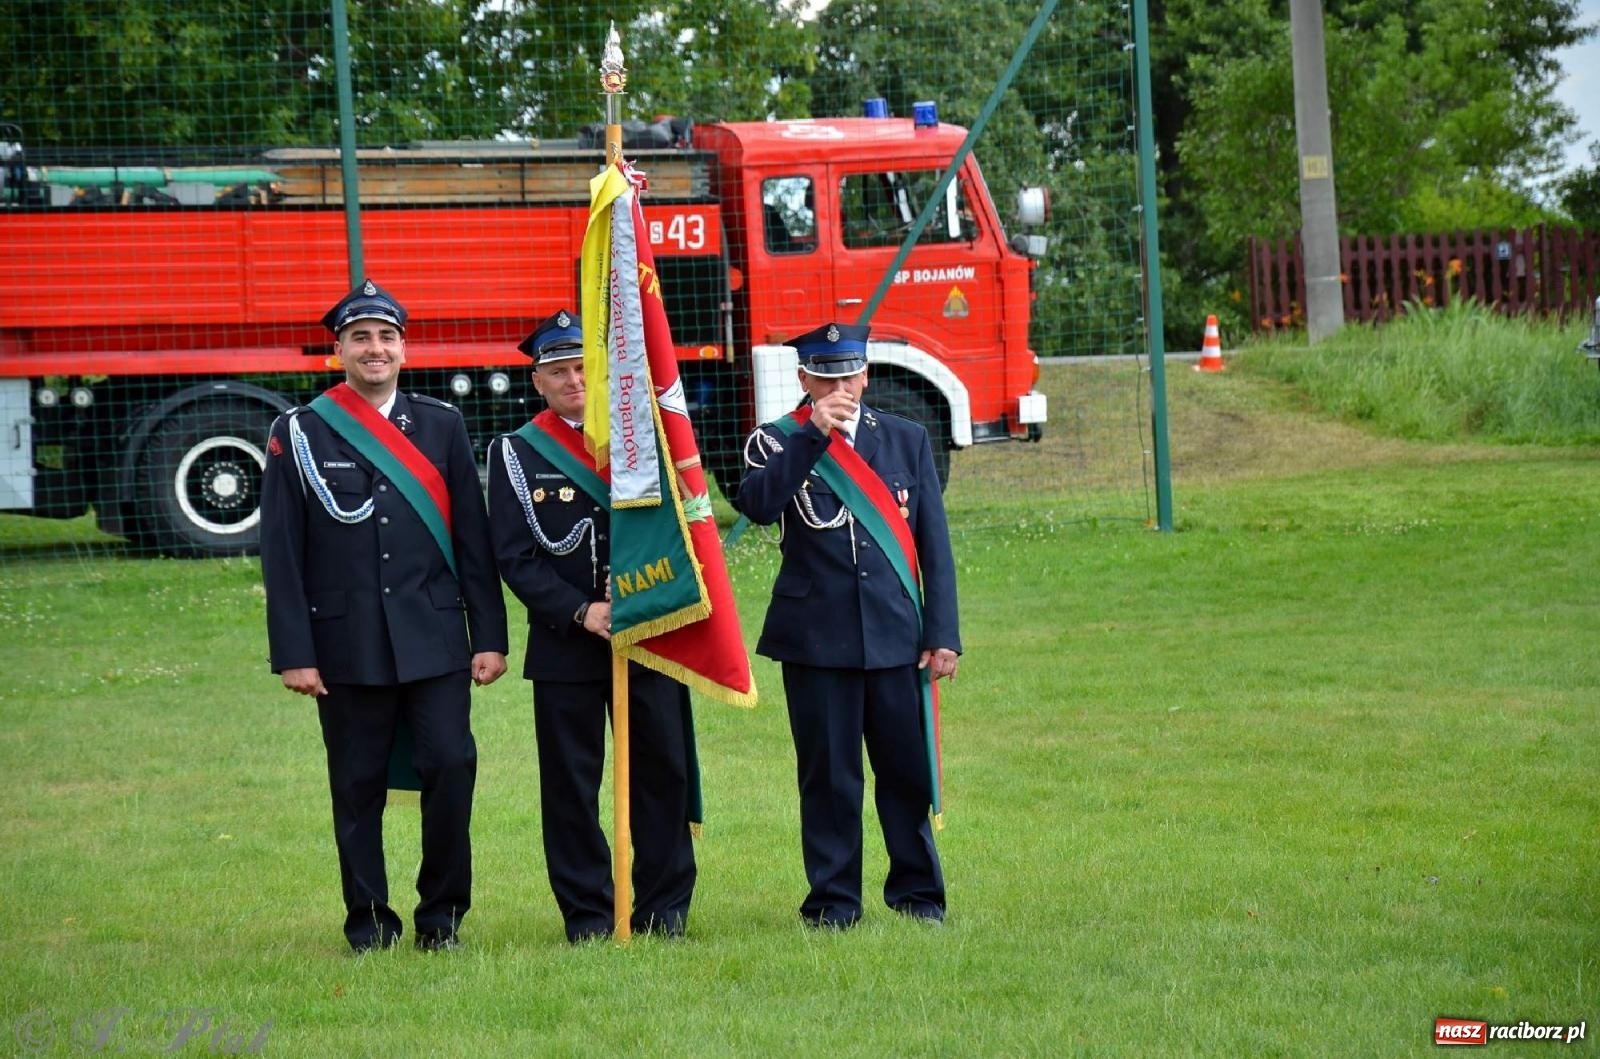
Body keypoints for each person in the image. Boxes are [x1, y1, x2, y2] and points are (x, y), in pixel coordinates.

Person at [260, 279, 508, 953]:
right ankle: (368, 920)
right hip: (345, 643)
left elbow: (473, 541)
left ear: (404, 347)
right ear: (338, 348)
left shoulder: (442, 425)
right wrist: (294, 650)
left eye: (387, 337)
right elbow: (281, 553)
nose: (376, 349)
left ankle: (442, 915)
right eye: (361, 337)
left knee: (451, 764)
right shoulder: (298, 431)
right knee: (357, 782)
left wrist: (489, 636)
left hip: (434, 638)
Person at [734, 321, 960, 929]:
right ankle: (834, 904)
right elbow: (756, 505)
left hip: (894, 636)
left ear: (865, 375)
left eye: (849, 374)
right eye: (825, 376)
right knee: (828, 779)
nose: (841, 386)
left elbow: (932, 546)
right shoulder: (775, 441)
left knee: (906, 774)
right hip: (815, 638)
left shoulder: (907, 440)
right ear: (805, 380)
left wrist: (942, 634)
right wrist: (813, 435)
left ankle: (919, 897)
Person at [487, 309, 697, 943]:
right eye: (559, 371)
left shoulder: (648, 438)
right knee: (571, 785)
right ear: (538, 383)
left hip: (649, 636)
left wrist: (644, 594)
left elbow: (687, 529)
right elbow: (514, 556)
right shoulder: (516, 453)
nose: (575, 380)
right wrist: (582, 611)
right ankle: (588, 913)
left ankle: (664, 910)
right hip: (564, 646)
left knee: (662, 772)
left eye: (585, 367)